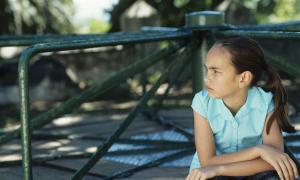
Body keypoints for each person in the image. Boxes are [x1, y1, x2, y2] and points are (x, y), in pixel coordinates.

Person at [186, 36, 299, 180]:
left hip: (252, 171)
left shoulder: (265, 102)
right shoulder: (202, 102)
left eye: (216, 71)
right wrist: (259, 150)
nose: (206, 78)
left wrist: (218, 168)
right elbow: (207, 162)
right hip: (210, 173)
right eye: (207, 70)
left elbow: (274, 160)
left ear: (244, 78)